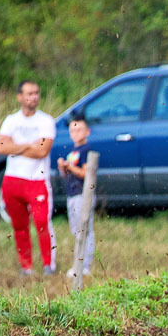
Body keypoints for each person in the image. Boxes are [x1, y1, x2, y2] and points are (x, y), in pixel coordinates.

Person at [0, 80, 57, 274]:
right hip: (13, 179)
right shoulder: (11, 120)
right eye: (29, 93)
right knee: (19, 225)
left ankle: (48, 264)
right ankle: (26, 266)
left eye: (36, 93)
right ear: (20, 97)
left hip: (37, 179)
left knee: (41, 222)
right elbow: (2, 147)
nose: (34, 97)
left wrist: (15, 146)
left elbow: (42, 151)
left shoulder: (46, 121)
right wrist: (28, 145)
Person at [57, 116, 95, 280]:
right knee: (76, 229)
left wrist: (70, 167)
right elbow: (67, 174)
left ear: (87, 132)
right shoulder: (73, 152)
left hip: (82, 194)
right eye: (73, 130)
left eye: (79, 130)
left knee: (85, 229)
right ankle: (79, 262)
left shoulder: (87, 150)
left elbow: (85, 173)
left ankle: (85, 265)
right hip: (72, 194)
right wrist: (63, 167)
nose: (75, 133)